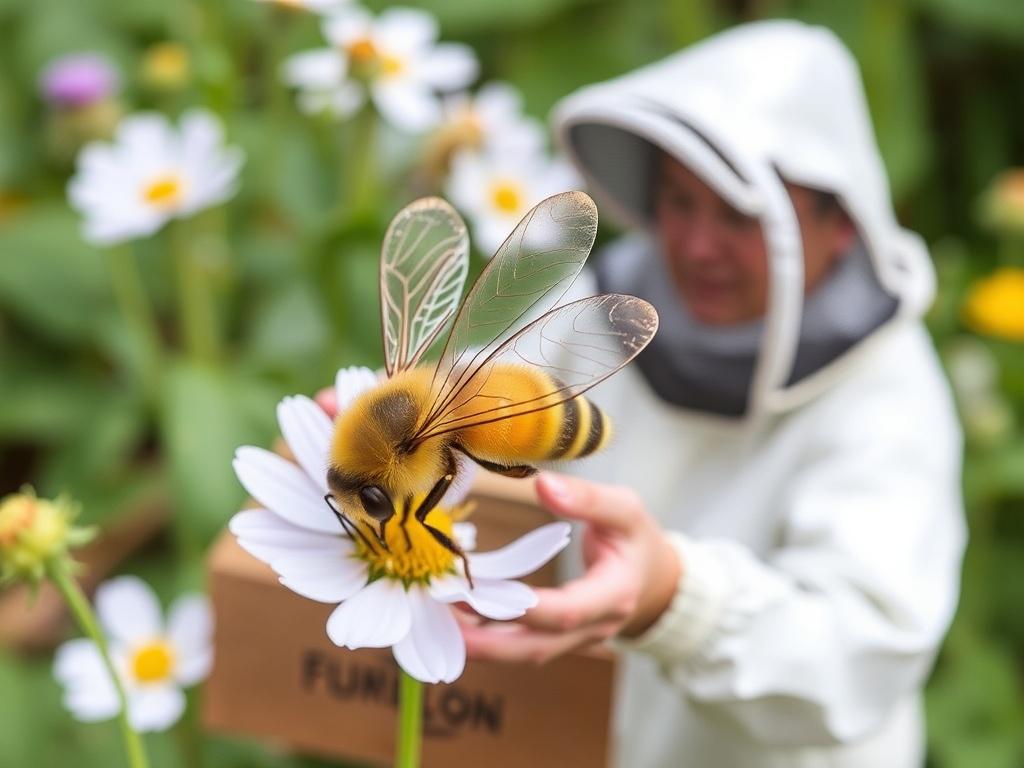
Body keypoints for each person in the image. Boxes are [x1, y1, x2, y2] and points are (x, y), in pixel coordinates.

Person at [458, 19, 966, 768]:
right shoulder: (598, 308)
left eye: (741, 215)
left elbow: (857, 654)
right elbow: (484, 393)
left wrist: (675, 599)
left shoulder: (886, 397)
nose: (697, 246)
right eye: (678, 202)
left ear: (841, 225)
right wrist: (408, 428)